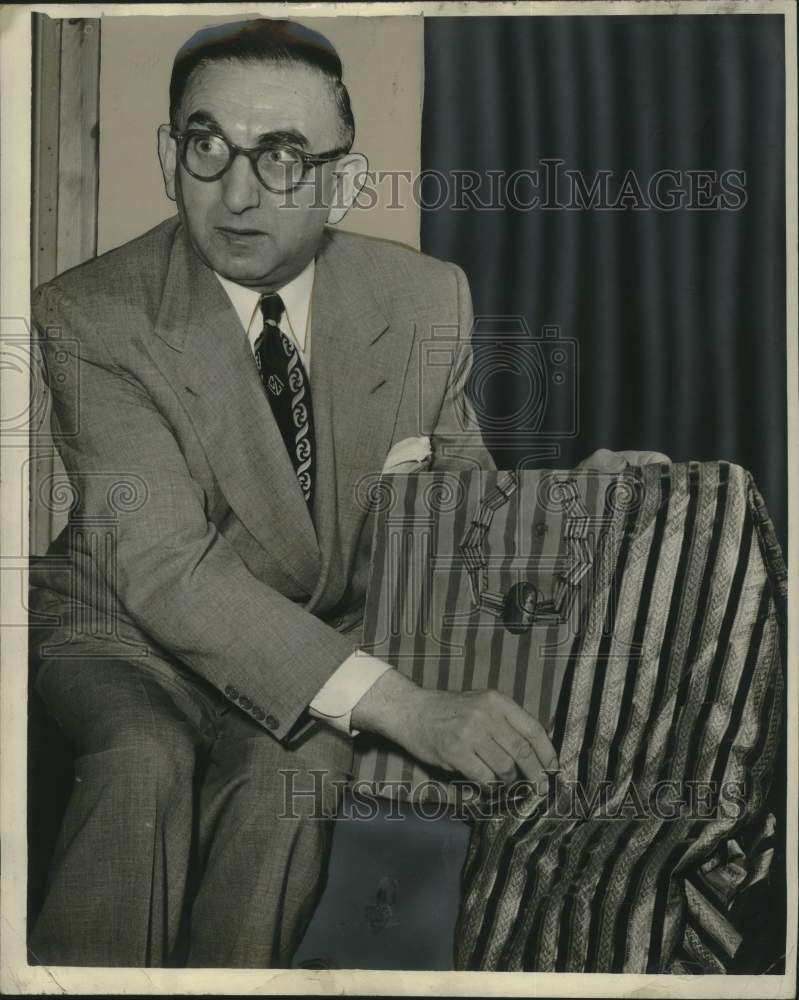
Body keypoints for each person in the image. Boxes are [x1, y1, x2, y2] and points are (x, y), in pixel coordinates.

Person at [28, 18, 661, 968]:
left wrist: (572, 504)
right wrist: (405, 705)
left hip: (316, 640)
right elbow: (164, 569)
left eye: (283, 157)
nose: (238, 193)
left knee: (304, 769)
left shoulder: (422, 296)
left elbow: (459, 504)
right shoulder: (90, 313)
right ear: (168, 157)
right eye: (208, 147)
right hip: (125, 632)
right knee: (139, 762)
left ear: (344, 181)